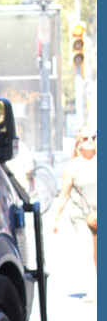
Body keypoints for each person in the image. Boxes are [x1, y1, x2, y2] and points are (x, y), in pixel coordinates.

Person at [49, 127, 97, 302]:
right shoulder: (73, 166)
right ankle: (92, 290)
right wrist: (56, 218)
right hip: (81, 215)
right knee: (88, 250)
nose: (91, 141)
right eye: (86, 138)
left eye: (93, 137)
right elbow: (65, 195)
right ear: (78, 143)